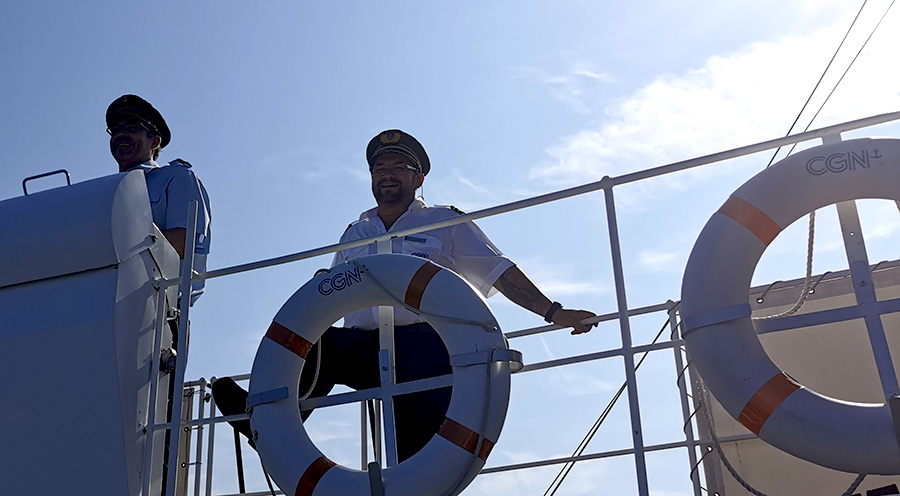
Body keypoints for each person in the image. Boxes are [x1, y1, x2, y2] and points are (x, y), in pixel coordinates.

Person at [213, 129, 596, 462]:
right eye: (379, 168)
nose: (387, 174)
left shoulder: (444, 221)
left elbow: (499, 271)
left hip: (427, 348)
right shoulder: (354, 233)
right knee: (323, 343)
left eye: (398, 166)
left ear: (419, 177)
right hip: (365, 350)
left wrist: (553, 311)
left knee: (413, 463)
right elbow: (326, 296)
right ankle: (266, 422)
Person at [107, 94, 212, 305]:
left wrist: (107, 244)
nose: (121, 134)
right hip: (105, 300)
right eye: (115, 130)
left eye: (132, 128)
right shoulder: (106, 192)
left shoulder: (177, 177)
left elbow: (183, 244)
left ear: (154, 142)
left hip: (160, 307)